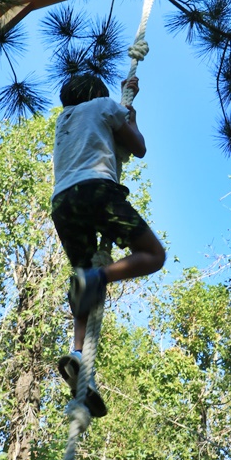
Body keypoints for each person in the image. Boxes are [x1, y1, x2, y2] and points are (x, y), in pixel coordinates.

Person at [51, 72, 166, 416]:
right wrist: (128, 104)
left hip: (62, 203)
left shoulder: (63, 121)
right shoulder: (104, 106)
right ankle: (98, 278)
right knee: (153, 255)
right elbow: (138, 146)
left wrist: (123, 105)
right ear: (98, 93)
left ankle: (77, 354)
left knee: (85, 279)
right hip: (96, 191)